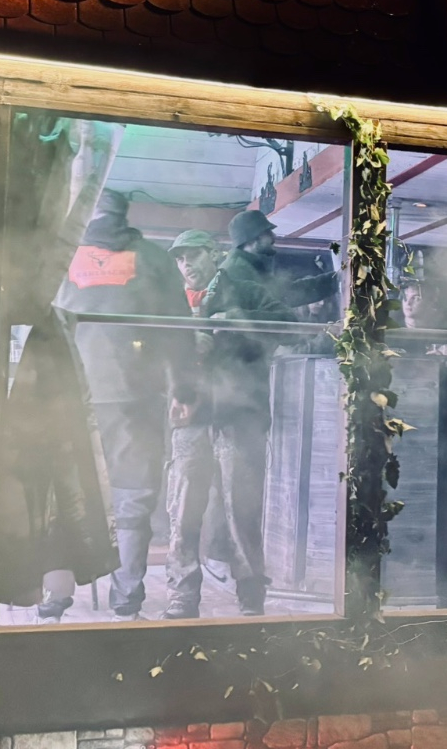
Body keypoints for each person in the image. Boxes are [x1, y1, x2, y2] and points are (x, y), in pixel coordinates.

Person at [53, 188, 193, 620]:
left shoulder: (60, 257)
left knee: (61, 493)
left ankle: (53, 598)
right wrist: (183, 390)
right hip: (135, 396)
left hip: (69, 395)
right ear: (124, 214)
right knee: (132, 498)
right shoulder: (152, 259)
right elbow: (177, 329)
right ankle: (126, 602)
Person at [163, 228, 293, 617]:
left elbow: (289, 324)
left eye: (194, 254)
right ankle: (183, 593)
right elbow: (148, 351)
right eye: (180, 258)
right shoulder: (171, 301)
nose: (186, 263)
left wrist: (237, 319)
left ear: (215, 254)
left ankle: (251, 594)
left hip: (240, 415)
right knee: (182, 510)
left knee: (242, 510)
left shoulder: (245, 290)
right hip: (191, 417)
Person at [221, 209, 338, 310]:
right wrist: (336, 280)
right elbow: (285, 296)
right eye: (267, 232)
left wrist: (336, 279)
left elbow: (288, 293)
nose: (274, 236)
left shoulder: (249, 265)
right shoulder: (237, 271)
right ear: (254, 238)